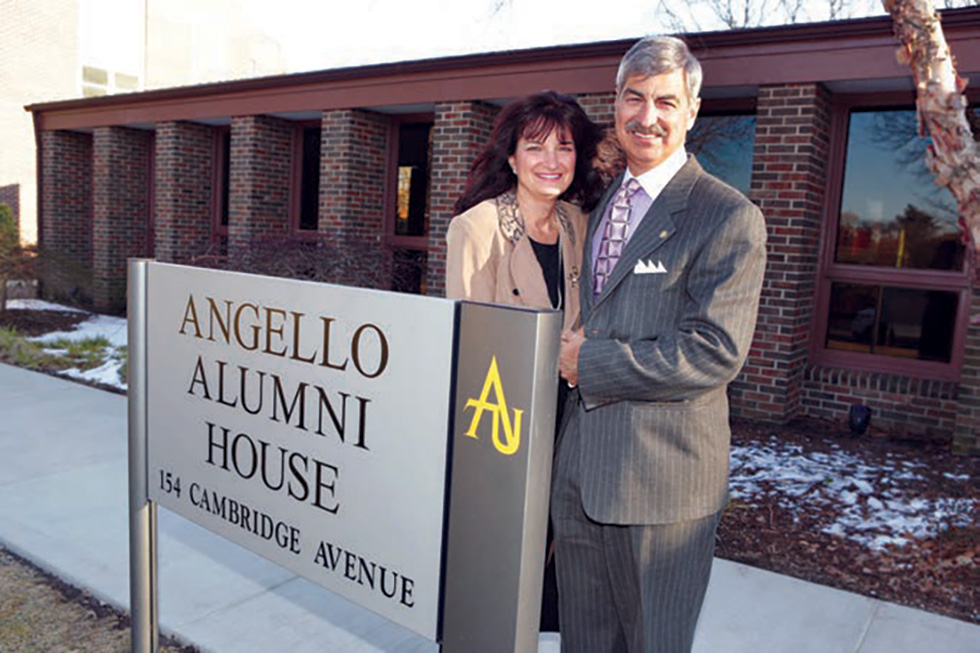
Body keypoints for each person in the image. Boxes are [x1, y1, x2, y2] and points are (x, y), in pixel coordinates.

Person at [554, 36, 767, 652]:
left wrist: (587, 362)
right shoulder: (598, 204)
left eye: (666, 102)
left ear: (692, 111)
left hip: (661, 488)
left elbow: (714, 350)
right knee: (584, 643)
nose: (647, 117)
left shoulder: (726, 217)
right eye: (634, 98)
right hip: (580, 474)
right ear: (616, 104)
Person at [445, 90, 604, 632]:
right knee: (501, 574)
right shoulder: (477, 229)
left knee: (553, 569)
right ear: (512, 157)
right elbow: (466, 347)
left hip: (571, 413)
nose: (552, 161)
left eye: (564, 147)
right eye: (535, 148)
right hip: (506, 422)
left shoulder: (580, 223)